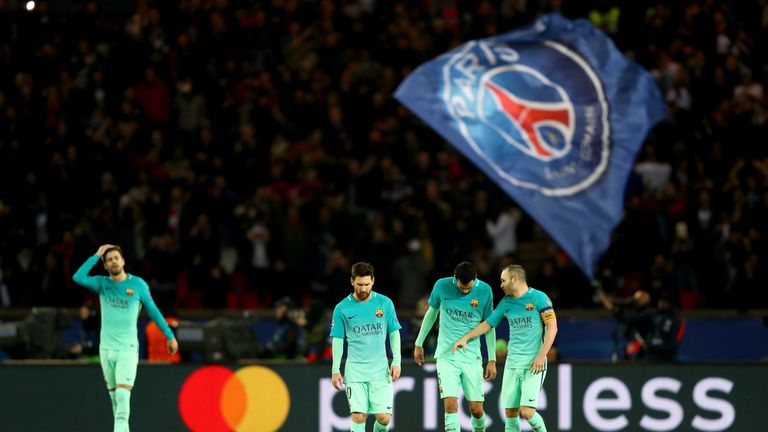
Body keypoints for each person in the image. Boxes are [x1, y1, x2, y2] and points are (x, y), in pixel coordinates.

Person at [73, 244, 178, 432]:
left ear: (123, 261)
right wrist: (97, 254)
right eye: (109, 259)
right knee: (116, 402)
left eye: (116, 258)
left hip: (127, 351)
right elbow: (78, 277)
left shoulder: (138, 285)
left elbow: (153, 311)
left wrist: (169, 335)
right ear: (105, 265)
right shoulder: (102, 283)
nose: (113, 261)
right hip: (106, 350)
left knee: (122, 398)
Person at [453, 264, 557, 432]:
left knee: (528, 412)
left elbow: (552, 328)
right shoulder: (506, 302)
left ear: (514, 280)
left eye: (503, 281)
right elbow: (488, 324)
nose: (501, 285)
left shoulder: (539, 298)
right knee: (510, 413)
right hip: (512, 363)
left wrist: (541, 356)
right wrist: (465, 337)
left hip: (533, 363)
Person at [413, 261, 497, 432]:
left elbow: (489, 326)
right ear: (454, 278)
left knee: (476, 409)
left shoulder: (485, 290)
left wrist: (492, 359)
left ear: (475, 278)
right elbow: (431, 314)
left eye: (468, 288)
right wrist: (418, 343)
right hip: (446, 356)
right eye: (462, 287)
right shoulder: (442, 286)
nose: (465, 291)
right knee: (450, 404)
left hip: (472, 356)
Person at [330, 262, 402, 432]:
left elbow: (394, 333)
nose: (363, 289)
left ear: (373, 281)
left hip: (380, 370)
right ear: (352, 281)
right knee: (358, 416)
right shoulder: (341, 308)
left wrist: (397, 361)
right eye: (360, 284)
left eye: (367, 284)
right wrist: (335, 369)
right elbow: (338, 340)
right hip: (355, 370)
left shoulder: (385, 303)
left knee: (384, 419)